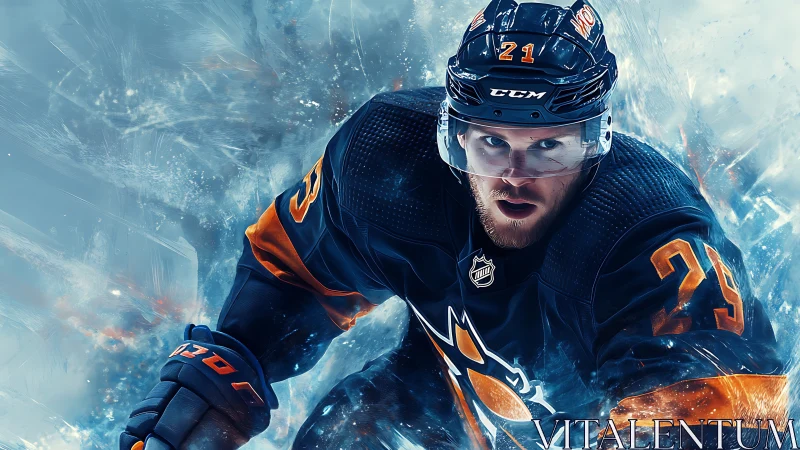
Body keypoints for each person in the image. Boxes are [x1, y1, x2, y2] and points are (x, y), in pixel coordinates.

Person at [119, 0, 789, 449]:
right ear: (451, 132)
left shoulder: (650, 242)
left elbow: (730, 432)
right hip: (431, 407)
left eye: (546, 146)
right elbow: (289, 282)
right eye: (491, 143)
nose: (514, 177)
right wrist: (218, 377)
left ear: (594, 140)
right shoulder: (388, 159)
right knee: (343, 429)